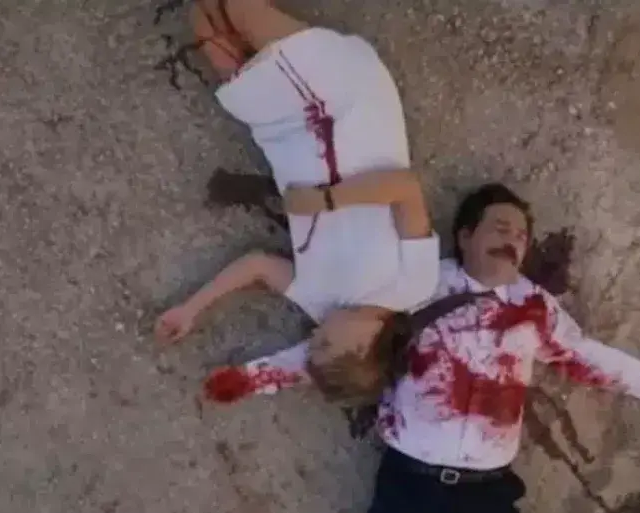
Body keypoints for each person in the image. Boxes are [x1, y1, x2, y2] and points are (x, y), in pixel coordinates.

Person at [272, 182, 640, 513]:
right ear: (465, 236)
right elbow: (346, 337)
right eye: (499, 227)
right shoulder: (419, 285)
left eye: (520, 235)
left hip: (486, 500)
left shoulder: (535, 308)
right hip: (410, 490)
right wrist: (261, 376)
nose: (512, 239)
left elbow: (584, 354)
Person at [153, 0, 440, 400]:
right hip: (337, 111)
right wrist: (326, 200)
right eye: (325, 342)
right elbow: (405, 188)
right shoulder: (411, 287)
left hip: (281, 130)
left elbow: (257, 266)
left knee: (204, 25)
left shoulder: (318, 304)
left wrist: (191, 309)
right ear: (364, 346)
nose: (315, 333)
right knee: (232, 8)